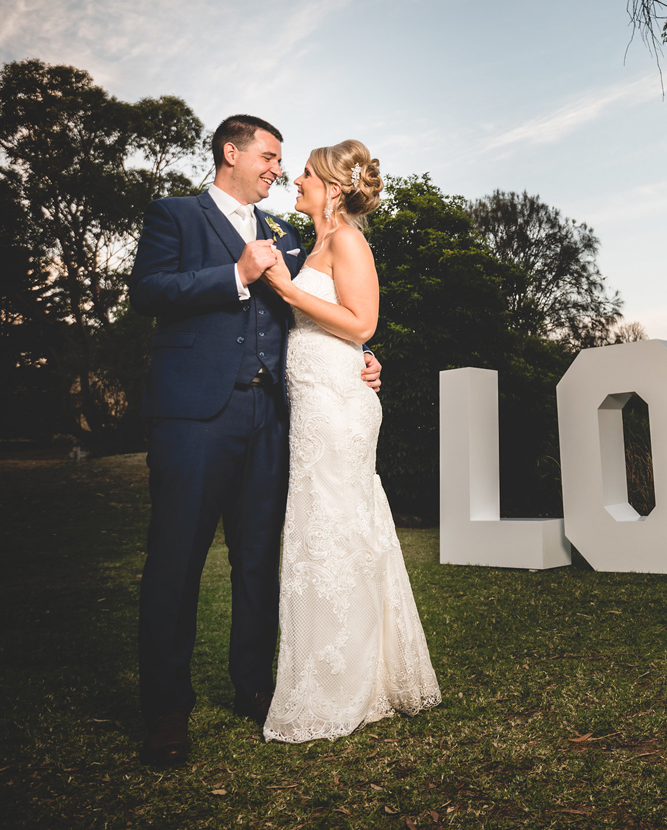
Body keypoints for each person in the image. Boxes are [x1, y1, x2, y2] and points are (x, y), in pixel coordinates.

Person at [129, 115, 384, 767]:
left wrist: (362, 355)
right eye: (269, 156)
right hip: (194, 416)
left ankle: (255, 686)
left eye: (283, 161)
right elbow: (148, 291)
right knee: (176, 559)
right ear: (231, 152)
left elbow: (322, 307)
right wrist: (235, 273)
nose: (278, 168)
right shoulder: (175, 216)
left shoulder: (288, 234)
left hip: (273, 419)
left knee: (261, 559)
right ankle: (165, 710)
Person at [258, 140, 440, 743]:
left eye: (305, 174)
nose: (296, 180)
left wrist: (287, 291)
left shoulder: (346, 240)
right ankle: (341, 668)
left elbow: (362, 323)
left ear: (333, 188)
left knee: (340, 526)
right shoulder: (309, 243)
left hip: (338, 401)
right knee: (321, 531)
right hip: (313, 399)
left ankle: (352, 680)